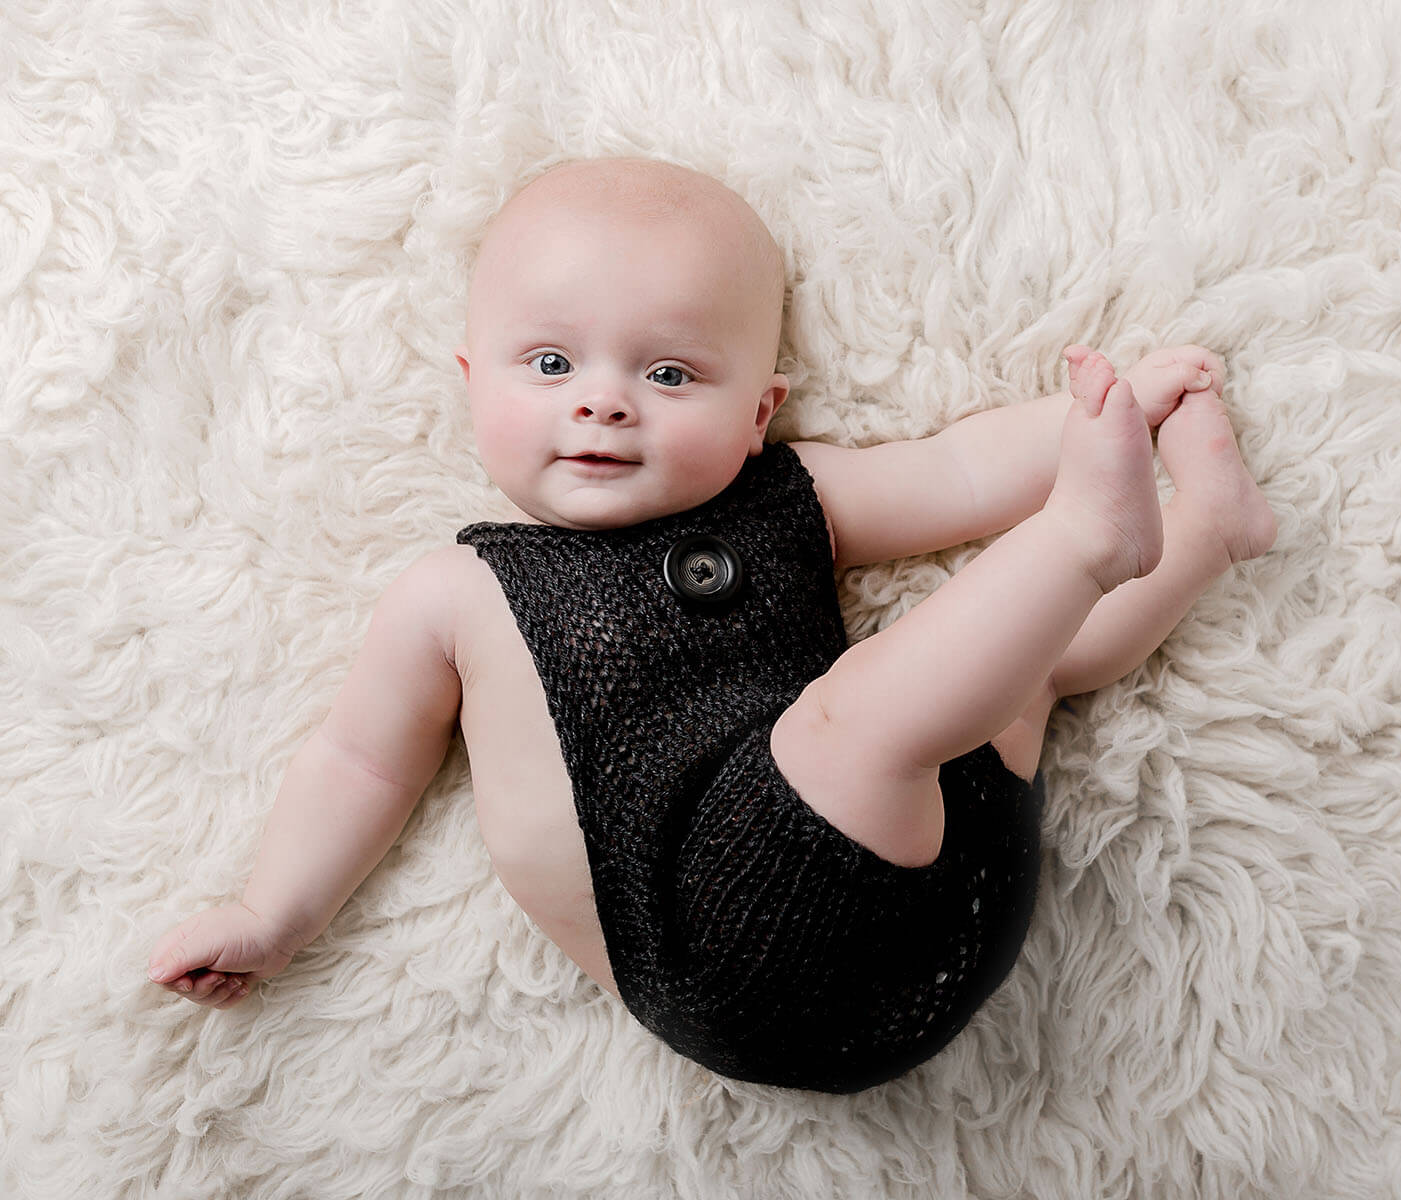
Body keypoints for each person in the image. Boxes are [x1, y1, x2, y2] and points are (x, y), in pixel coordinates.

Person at [146, 156, 1276, 1093]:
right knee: (864, 710)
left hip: (954, 893)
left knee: (1019, 671)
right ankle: (1087, 539)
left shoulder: (791, 497)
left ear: (758, 411)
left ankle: (1205, 532)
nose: (602, 400)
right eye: (550, 363)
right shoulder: (457, 592)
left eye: (671, 372)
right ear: (469, 379)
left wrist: (1109, 401)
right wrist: (270, 911)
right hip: (725, 960)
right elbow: (357, 762)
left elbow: (958, 465)